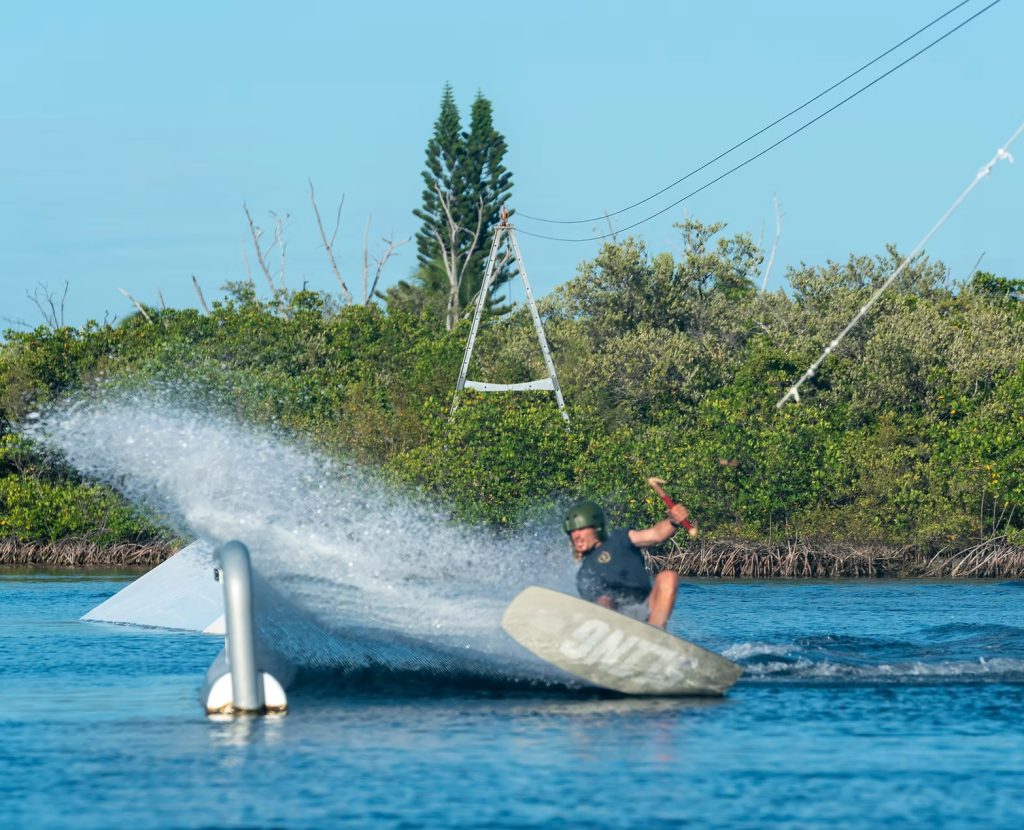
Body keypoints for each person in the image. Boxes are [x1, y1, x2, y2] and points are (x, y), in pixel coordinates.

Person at [564, 500, 692, 629]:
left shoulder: (620, 539)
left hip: (646, 607)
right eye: (572, 532)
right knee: (604, 600)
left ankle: (656, 633)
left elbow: (656, 534)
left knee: (668, 577)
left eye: (581, 529)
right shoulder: (584, 573)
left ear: (597, 527)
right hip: (616, 619)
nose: (576, 536)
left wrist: (673, 520)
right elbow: (594, 608)